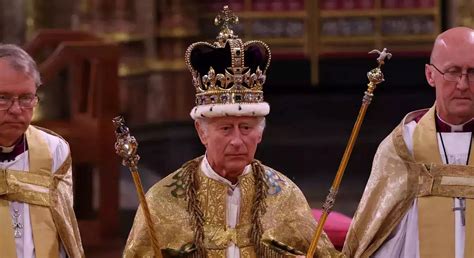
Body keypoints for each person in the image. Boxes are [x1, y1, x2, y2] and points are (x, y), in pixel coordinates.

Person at [123, 6, 339, 258]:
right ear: (201, 132)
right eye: (225, 128)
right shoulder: (161, 202)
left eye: (246, 127)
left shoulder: (285, 196)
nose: (237, 141)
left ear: (260, 133)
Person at [343, 27, 474, 258]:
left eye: (473, 72)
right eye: (452, 71)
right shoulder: (404, 146)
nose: (463, 84)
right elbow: (377, 231)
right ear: (430, 75)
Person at [0, 44, 84, 257]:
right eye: (3, 98)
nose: (16, 110)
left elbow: (64, 231)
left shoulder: (53, 150)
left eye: (26, 98)